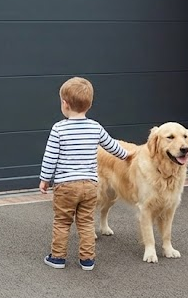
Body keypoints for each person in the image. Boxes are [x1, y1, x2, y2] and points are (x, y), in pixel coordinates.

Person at [39, 77, 130, 271]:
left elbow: (50, 157)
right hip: (90, 185)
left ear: (65, 104)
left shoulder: (59, 129)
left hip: (65, 186)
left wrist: (45, 179)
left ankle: (58, 257)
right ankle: (87, 260)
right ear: (89, 104)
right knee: (86, 222)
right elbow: (112, 146)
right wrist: (126, 155)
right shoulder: (95, 127)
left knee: (62, 221)